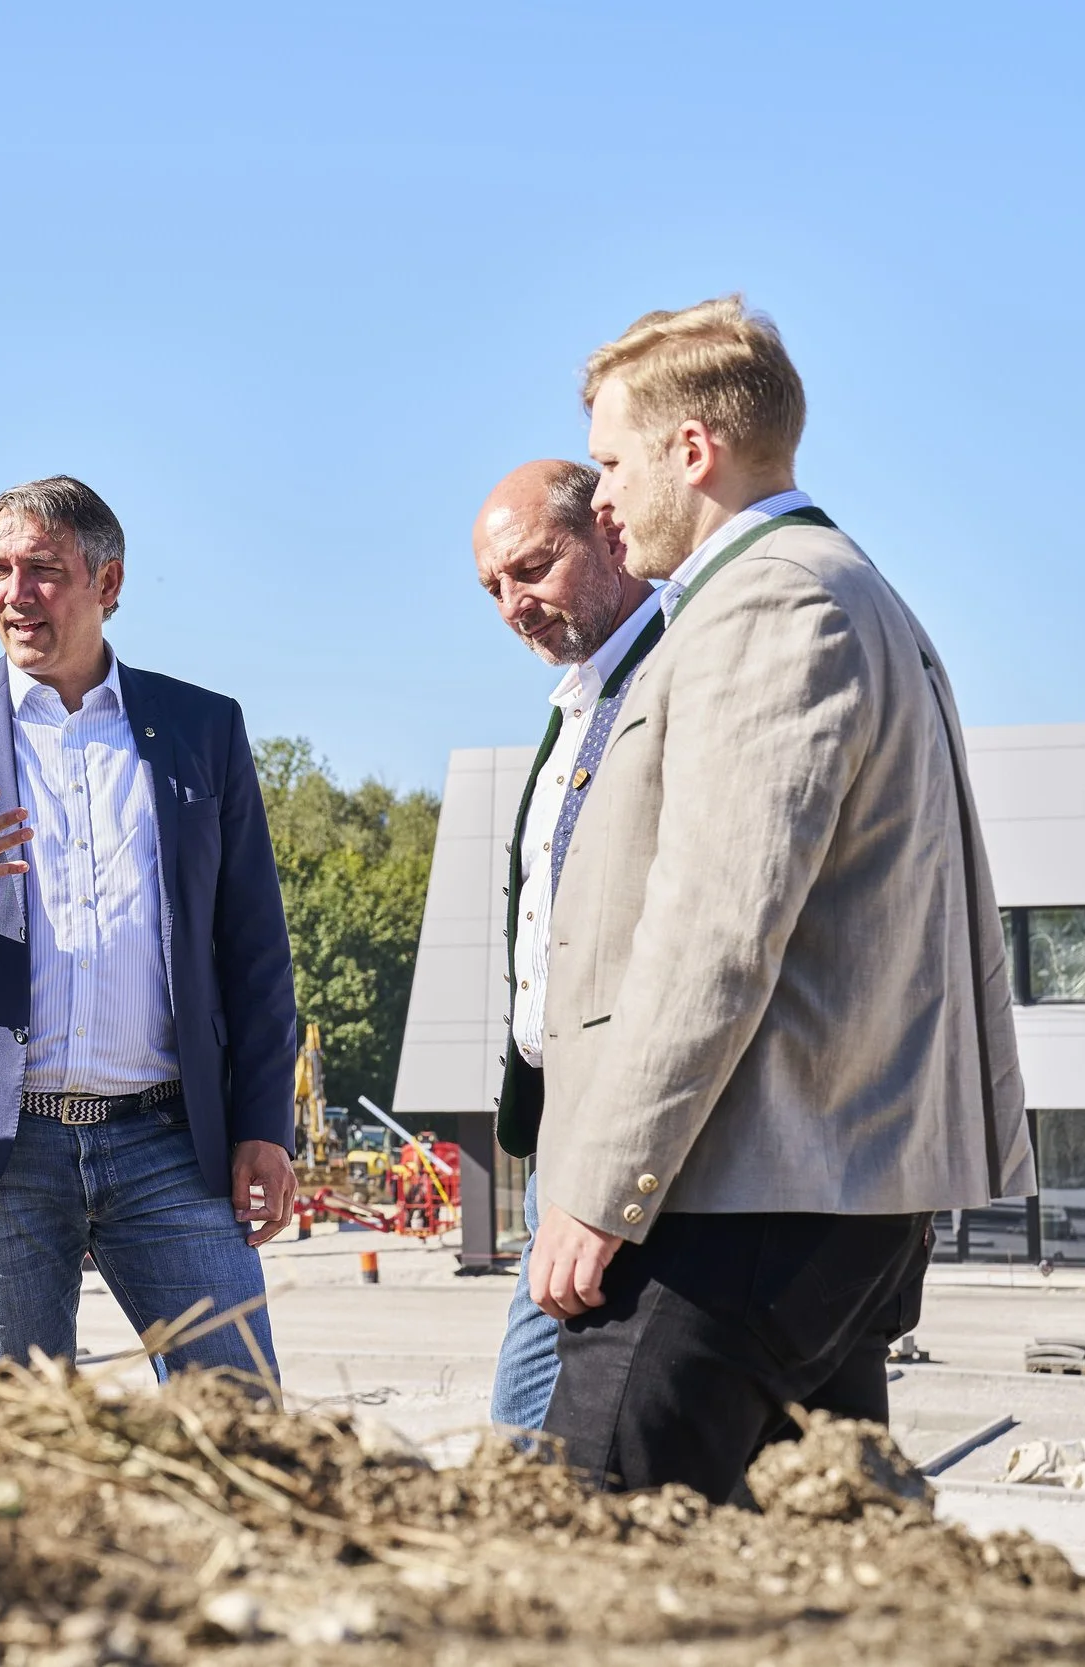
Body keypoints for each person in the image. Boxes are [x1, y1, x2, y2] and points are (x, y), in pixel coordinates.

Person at [531, 297, 1035, 1500]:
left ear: (691, 448)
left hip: (731, 1200)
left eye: (611, 463)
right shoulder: (844, 590)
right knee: (819, 1555)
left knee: (589, 1530)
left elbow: (716, 929)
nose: (599, 499)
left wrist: (602, 1187)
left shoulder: (771, 604)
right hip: (811, 1190)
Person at [0, 476, 299, 1381]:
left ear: (107, 582)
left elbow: (256, 952)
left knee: (241, 1417)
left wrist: (265, 1126)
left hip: (172, 1145)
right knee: (17, 1431)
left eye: (41, 569)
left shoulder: (204, 727)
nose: (15, 593)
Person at [471, 460, 662, 1433]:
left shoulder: (679, 673)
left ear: (607, 534)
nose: (514, 604)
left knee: (543, 1424)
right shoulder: (578, 702)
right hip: (564, 1126)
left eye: (532, 567)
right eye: (493, 587)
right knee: (543, 1416)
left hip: (635, 1129)